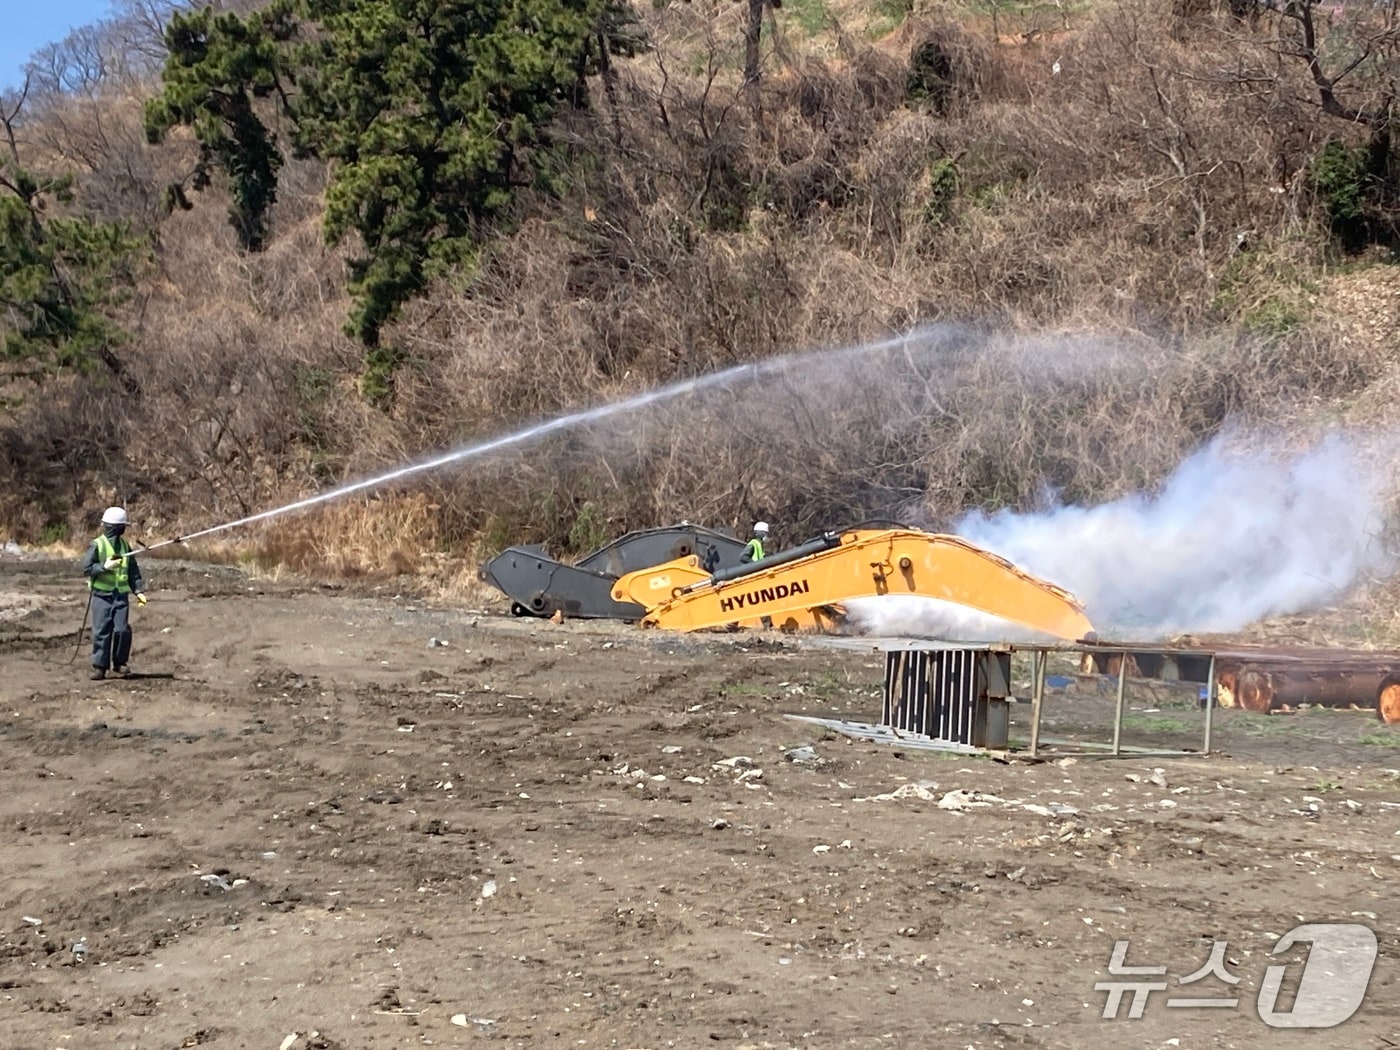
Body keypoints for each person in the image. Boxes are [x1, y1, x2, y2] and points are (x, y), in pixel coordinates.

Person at [82, 506, 147, 680]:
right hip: (101, 596)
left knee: (122, 630)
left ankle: (119, 663)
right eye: (121, 526)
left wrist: (138, 590)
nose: (123, 529)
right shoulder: (97, 544)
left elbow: (133, 571)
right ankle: (99, 667)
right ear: (112, 526)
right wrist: (103, 567)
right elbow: (87, 568)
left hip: (120, 597)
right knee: (102, 631)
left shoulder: (125, 546)